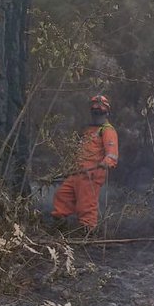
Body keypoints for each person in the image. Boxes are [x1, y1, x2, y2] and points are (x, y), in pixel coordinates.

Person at [52, 95, 119, 230]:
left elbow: (112, 154)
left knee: (86, 204)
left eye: (99, 111)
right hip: (78, 172)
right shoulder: (89, 130)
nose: (96, 114)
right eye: (95, 111)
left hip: (91, 174)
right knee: (62, 195)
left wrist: (106, 162)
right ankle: (60, 223)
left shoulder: (107, 130)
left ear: (106, 113)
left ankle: (87, 231)